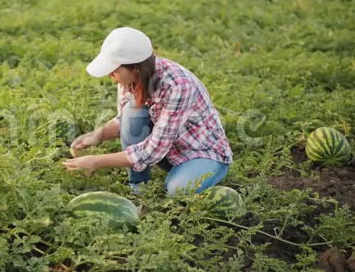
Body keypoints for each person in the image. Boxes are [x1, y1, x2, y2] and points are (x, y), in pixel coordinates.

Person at [62, 27, 233, 196]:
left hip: (201, 152)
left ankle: (205, 172)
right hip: (168, 151)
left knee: (177, 190)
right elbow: (125, 121)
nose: (110, 75)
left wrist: (96, 162)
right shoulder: (130, 80)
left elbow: (153, 150)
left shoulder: (178, 86)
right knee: (131, 110)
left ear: (135, 68)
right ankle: (138, 187)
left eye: (114, 70)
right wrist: (97, 135)